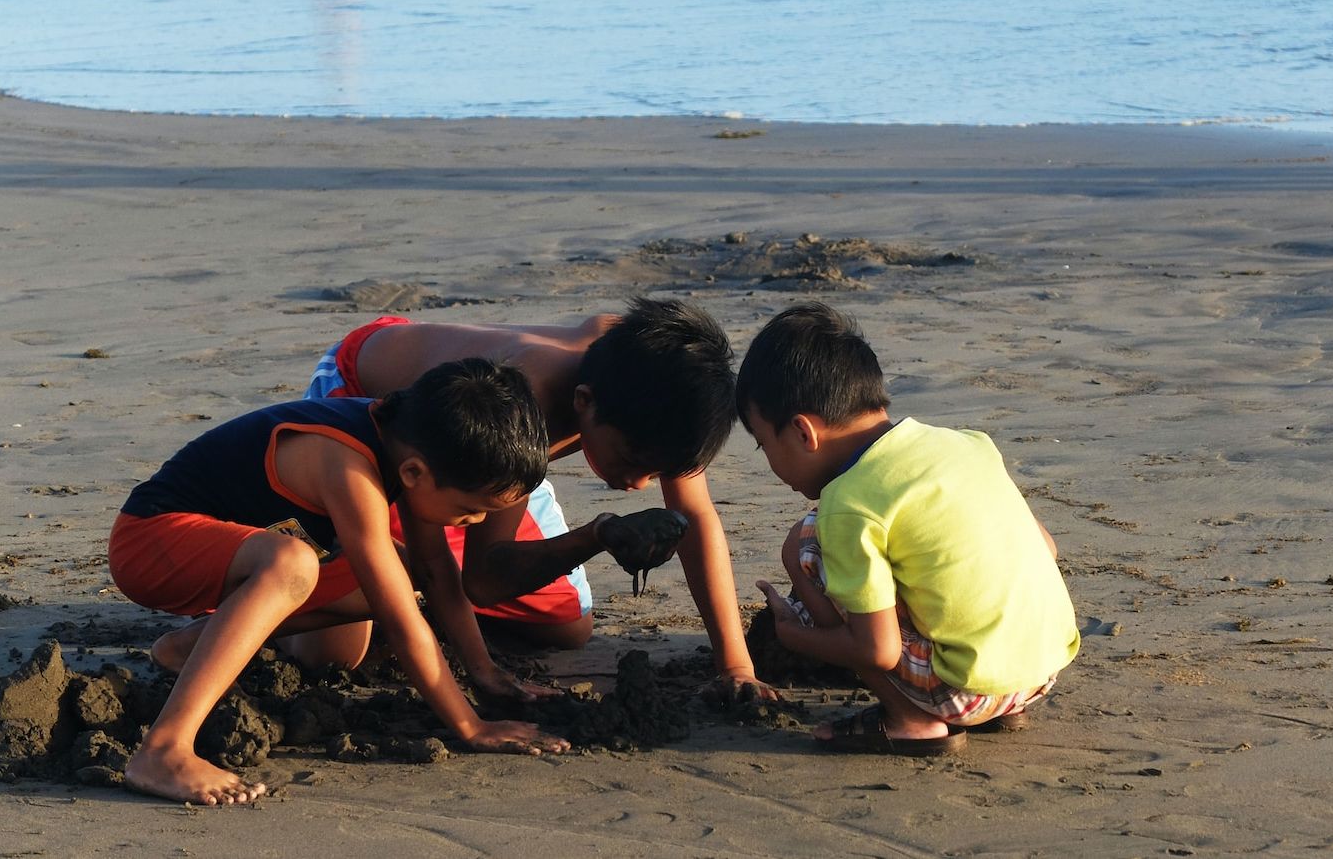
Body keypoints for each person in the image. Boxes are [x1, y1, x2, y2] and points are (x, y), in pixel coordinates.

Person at [108, 358, 570, 806]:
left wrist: (484, 672)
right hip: (150, 543)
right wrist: (469, 726)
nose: (476, 522)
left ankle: (190, 648)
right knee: (295, 563)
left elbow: (435, 571)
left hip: (237, 555)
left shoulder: (412, 444)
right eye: (472, 509)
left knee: (340, 647)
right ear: (414, 473)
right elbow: (401, 618)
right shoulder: (348, 461)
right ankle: (164, 750)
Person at [303, 298, 775, 700]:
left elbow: (694, 516)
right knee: (336, 654)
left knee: (567, 627)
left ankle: (421, 606)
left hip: (493, 457)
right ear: (584, 401)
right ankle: (284, 585)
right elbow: (479, 578)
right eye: (632, 460)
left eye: (658, 471)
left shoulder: (662, 385)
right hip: (384, 421)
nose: (639, 484)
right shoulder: (528, 396)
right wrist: (482, 669)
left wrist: (735, 665)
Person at [737, 303, 1080, 756]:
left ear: (803, 433)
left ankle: (911, 720)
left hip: (967, 691)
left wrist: (794, 636)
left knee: (803, 545)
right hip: (1044, 669)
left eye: (764, 444)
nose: (769, 462)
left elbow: (878, 651)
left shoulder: (847, 503)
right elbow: (1045, 547)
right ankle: (1008, 709)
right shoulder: (964, 443)